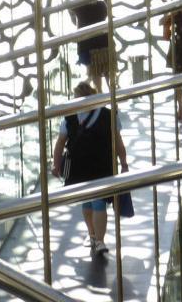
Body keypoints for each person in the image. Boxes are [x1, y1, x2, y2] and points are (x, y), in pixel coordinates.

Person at [51, 81, 129, 257]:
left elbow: (60, 144)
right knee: (96, 201)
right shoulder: (108, 115)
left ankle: (95, 236)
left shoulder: (69, 118)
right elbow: (118, 141)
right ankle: (97, 238)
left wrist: (56, 165)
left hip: (79, 167)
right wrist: (123, 163)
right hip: (102, 164)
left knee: (90, 201)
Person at [70, 0, 110, 92]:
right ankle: (112, 93)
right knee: (108, 70)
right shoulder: (101, 5)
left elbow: (70, 7)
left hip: (89, 46)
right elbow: (106, 13)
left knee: (95, 72)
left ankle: (100, 95)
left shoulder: (80, 8)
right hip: (104, 43)